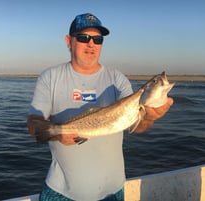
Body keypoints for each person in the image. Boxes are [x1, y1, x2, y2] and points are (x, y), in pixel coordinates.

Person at [27, 13, 173, 201]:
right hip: (61, 192)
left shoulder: (117, 79)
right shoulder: (49, 77)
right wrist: (56, 133)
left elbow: (137, 126)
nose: (91, 44)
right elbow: (34, 124)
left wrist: (150, 117)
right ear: (68, 41)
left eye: (97, 39)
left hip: (112, 192)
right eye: (83, 38)